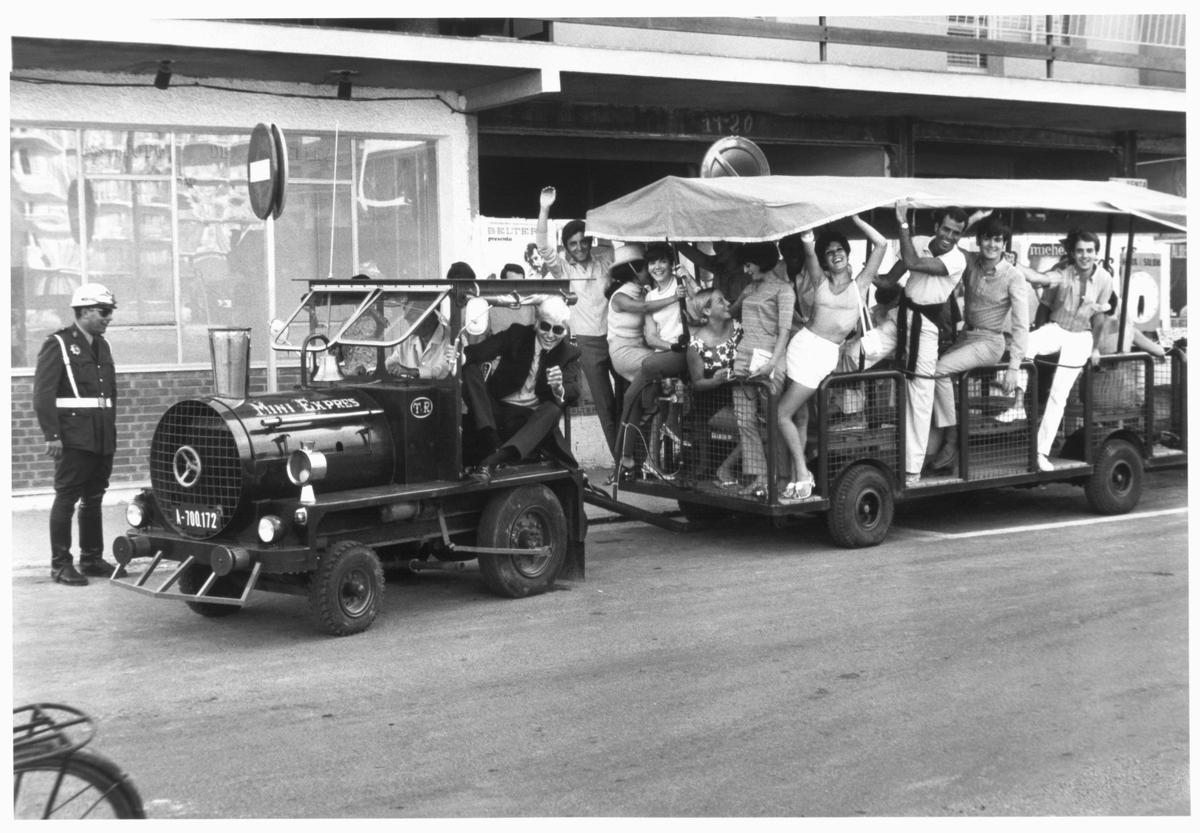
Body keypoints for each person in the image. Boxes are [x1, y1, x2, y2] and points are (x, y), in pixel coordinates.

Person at [776, 216, 888, 500]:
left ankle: (802, 473)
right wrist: (809, 222)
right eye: (830, 252)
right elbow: (808, 245)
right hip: (800, 345)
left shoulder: (860, 284)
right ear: (824, 261)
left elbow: (882, 243)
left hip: (823, 355)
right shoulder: (819, 280)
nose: (836, 254)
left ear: (847, 254)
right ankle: (794, 476)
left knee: (782, 414)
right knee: (798, 415)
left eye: (840, 250)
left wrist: (856, 216)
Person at [33, 283, 125, 586]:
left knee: (94, 497)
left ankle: (92, 558)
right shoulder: (58, 344)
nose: (109, 317)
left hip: (100, 435)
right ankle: (60, 565)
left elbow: (109, 393)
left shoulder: (103, 345)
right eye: (104, 311)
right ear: (85, 311)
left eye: (109, 312)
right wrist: (52, 435)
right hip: (73, 435)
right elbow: (43, 394)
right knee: (67, 497)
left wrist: (109, 429)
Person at [926, 216, 1030, 473]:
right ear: (979, 239)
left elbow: (1021, 325)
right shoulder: (971, 261)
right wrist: (972, 218)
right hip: (966, 337)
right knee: (928, 372)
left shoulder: (1013, 276)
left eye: (997, 239)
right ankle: (931, 449)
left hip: (990, 342)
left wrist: (1014, 368)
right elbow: (945, 243)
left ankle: (952, 441)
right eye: (987, 238)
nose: (991, 244)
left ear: (1004, 244)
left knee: (939, 370)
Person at [1011, 228, 1117, 471]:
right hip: (1057, 328)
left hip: (1081, 337)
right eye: (1080, 250)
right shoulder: (1063, 273)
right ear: (1072, 253)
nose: (1085, 255)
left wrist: (1096, 349)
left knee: (1059, 395)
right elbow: (1040, 280)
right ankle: (1016, 401)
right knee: (1024, 343)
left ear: (1096, 253)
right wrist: (1014, 264)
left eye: (1089, 251)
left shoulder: (1104, 279)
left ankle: (1040, 453)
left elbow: (1099, 318)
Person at [879, 201, 968, 485]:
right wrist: (859, 280)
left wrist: (902, 224)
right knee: (859, 352)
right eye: (946, 229)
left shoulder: (957, 259)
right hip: (900, 317)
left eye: (956, 233)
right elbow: (890, 281)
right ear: (937, 226)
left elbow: (914, 263)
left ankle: (912, 470)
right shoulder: (918, 241)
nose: (949, 237)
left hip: (927, 327)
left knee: (920, 393)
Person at [536, 186, 621, 457]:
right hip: (587, 343)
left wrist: (607, 217)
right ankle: (621, 465)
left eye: (584, 241)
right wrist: (544, 208)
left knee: (628, 401)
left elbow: (626, 243)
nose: (579, 247)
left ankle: (635, 460)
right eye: (573, 244)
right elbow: (542, 247)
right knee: (605, 404)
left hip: (616, 338)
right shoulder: (565, 269)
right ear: (567, 247)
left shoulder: (604, 262)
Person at [460, 295, 581, 482]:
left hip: (527, 420)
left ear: (565, 331)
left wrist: (558, 388)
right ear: (536, 323)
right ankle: (492, 442)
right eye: (545, 326)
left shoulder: (569, 353)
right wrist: (459, 356)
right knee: (469, 368)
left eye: (557, 330)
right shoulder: (517, 334)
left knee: (554, 408)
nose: (550, 335)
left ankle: (495, 459)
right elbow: (482, 351)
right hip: (496, 413)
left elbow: (574, 391)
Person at [605, 244, 686, 481]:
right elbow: (647, 308)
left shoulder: (645, 290)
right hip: (626, 352)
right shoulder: (622, 296)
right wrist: (674, 297)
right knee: (641, 396)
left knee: (642, 402)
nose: (653, 270)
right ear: (635, 270)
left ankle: (632, 458)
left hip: (645, 350)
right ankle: (631, 455)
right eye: (647, 266)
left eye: (660, 263)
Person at [729, 241, 795, 496]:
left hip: (770, 358)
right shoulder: (749, 288)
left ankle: (781, 477)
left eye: (749, 264)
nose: (745, 270)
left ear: (762, 261)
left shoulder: (784, 290)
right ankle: (760, 477)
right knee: (745, 420)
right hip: (744, 357)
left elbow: (785, 331)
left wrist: (771, 363)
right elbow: (731, 313)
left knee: (773, 419)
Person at [683, 288, 743, 487]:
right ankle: (724, 467)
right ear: (707, 311)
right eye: (720, 301)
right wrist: (716, 381)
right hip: (713, 406)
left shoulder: (738, 328)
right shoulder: (696, 345)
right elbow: (697, 383)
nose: (727, 303)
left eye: (725, 298)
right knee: (755, 429)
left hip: (743, 398)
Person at [384, 301, 456, 380]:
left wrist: (410, 371)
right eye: (409, 320)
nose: (410, 325)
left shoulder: (453, 340)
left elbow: (442, 371)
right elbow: (392, 362)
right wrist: (388, 368)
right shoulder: (407, 340)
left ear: (431, 315)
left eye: (414, 318)